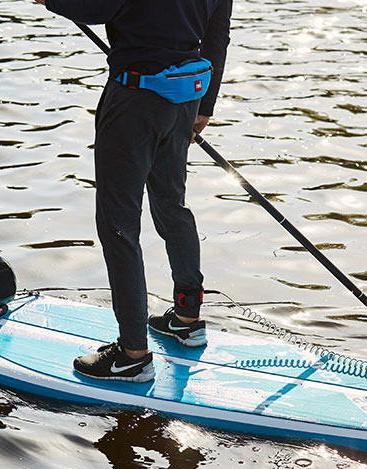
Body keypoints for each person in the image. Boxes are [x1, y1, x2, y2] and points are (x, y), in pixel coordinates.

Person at [35, 0, 232, 382]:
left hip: (134, 100)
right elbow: (217, 37)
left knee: (118, 224)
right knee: (171, 204)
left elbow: (96, 7)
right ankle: (187, 319)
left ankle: (132, 354)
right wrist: (204, 107)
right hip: (186, 95)